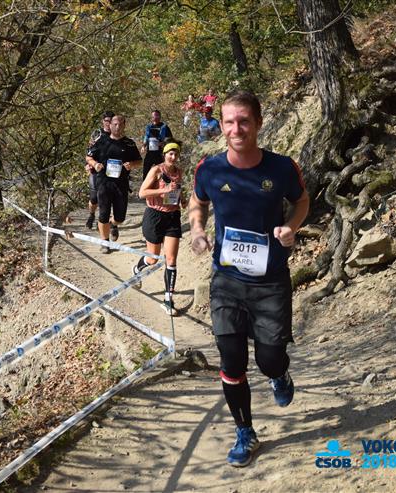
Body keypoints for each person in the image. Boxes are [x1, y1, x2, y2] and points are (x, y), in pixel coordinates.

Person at [188, 90, 309, 467]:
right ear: (221, 125)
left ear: (258, 123)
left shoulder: (281, 168)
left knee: (269, 359)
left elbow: (302, 201)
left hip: (270, 282)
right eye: (229, 122)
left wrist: (291, 227)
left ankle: (279, 373)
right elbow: (198, 202)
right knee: (231, 360)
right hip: (226, 281)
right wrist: (197, 230)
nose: (236, 129)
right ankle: (245, 432)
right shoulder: (209, 168)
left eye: (243, 121)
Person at [132, 141, 187, 315]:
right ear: (164, 154)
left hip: (173, 217)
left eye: (176, 154)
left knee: (171, 259)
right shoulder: (156, 170)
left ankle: (168, 300)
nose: (173, 157)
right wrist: (162, 191)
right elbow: (142, 193)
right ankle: (137, 270)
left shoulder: (179, 172)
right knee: (153, 258)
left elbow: (176, 189)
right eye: (170, 153)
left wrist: (182, 199)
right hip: (154, 216)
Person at [86, 114, 142, 253]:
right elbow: (89, 157)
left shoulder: (129, 143)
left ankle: (113, 224)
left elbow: (139, 161)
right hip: (104, 183)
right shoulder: (101, 141)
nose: (117, 127)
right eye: (115, 124)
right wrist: (95, 164)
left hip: (121, 183)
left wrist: (132, 164)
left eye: (120, 124)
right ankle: (105, 242)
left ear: (124, 126)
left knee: (120, 217)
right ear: (110, 125)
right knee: (103, 214)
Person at [85, 111, 114, 229]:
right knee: (94, 198)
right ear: (103, 121)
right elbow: (89, 150)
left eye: (111, 121)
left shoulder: (117, 134)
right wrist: (88, 164)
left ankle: (102, 220)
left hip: (110, 171)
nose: (109, 123)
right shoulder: (97, 134)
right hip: (96, 169)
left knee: (107, 198)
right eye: (107, 121)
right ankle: (91, 214)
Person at [141, 110, 173, 180]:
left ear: (160, 117)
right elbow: (146, 137)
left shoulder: (164, 127)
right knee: (146, 171)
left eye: (157, 115)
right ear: (151, 117)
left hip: (160, 153)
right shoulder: (149, 127)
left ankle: (166, 184)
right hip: (150, 152)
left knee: (164, 172)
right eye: (153, 116)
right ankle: (145, 185)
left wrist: (163, 143)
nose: (155, 117)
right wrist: (143, 146)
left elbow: (170, 139)